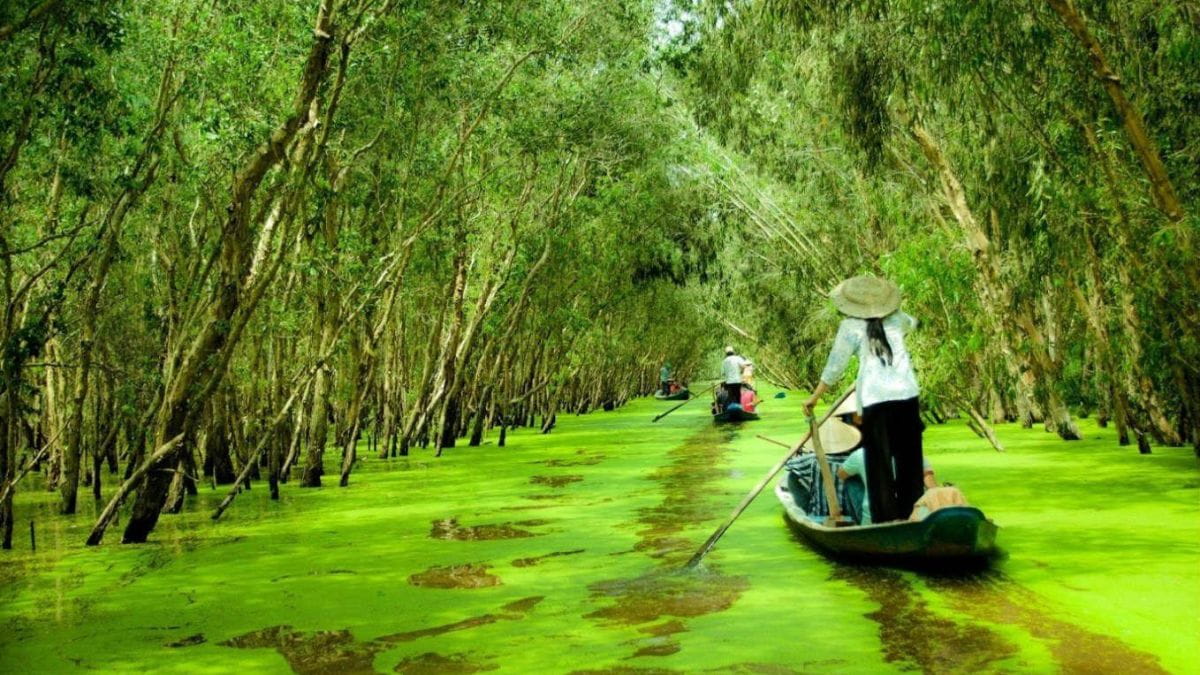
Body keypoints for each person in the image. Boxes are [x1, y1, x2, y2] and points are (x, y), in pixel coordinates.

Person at [804, 275, 922, 523]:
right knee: (910, 460)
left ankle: (886, 522)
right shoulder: (897, 318)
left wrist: (814, 398)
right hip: (907, 394)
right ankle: (913, 515)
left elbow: (835, 366)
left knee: (878, 465)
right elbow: (914, 323)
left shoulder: (850, 327)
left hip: (875, 398)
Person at [720, 346, 748, 411]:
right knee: (738, 395)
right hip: (737, 381)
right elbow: (744, 366)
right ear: (733, 352)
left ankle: (732, 409)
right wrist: (741, 372)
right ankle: (739, 408)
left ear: (726, 353)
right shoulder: (738, 358)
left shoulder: (724, 361)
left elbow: (722, 373)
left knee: (731, 396)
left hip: (729, 382)